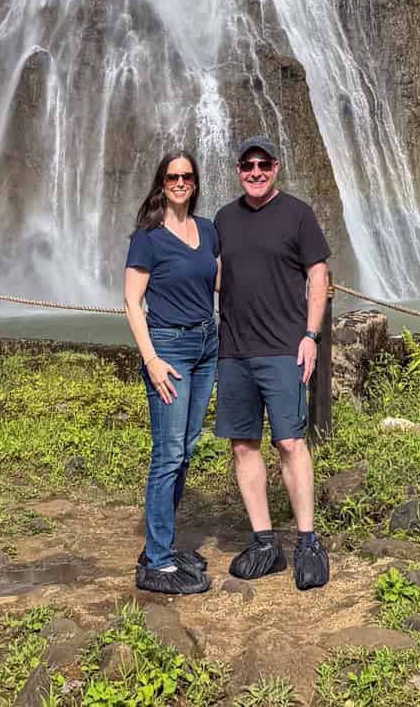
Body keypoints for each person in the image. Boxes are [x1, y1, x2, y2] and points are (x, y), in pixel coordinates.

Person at [213, 135, 331, 590]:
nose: (256, 171)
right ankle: (265, 542)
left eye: (264, 164)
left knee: (289, 443)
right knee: (243, 445)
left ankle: (307, 541)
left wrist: (310, 335)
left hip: (284, 348)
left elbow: (317, 272)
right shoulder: (224, 218)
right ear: (239, 169)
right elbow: (215, 274)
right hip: (235, 350)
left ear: (276, 167)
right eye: (248, 165)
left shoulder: (297, 214)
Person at [124, 147, 219, 595]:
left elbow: (221, 282)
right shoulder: (147, 236)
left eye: (186, 176)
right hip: (169, 349)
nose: (179, 183)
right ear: (161, 184)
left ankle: (160, 545)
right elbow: (131, 301)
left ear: (195, 183)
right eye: (171, 177)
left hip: (206, 345)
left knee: (187, 447)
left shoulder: (208, 231)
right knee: (168, 453)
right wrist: (151, 359)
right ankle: (158, 560)